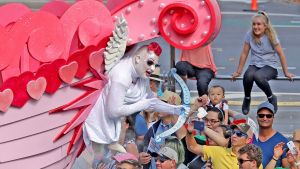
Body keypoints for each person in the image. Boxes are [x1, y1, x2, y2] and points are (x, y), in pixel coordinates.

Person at [83, 42, 184, 168]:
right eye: (150, 63)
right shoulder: (122, 76)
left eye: (155, 65)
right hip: (101, 130)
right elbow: (113, 111)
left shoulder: (142, 76)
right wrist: (142, 104)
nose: (152, 69)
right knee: (101, 163)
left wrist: (175, 110)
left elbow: (152, 101)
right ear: (137, 59)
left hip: (116, 134)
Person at [232, 11, 295, 115]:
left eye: (259, 24)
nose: (256, 27)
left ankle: (271, 97)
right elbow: (244, 53)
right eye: (254, 24)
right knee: (248, 75)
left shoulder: (271, 36)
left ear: (265, 26)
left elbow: (281, 54)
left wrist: (286, 72)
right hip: (255, 65)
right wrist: (238, 71)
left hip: (270, 66)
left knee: (258, 76)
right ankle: (247, 98)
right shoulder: (249, 35)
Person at [186, 121, 263, 169]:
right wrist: (189, 132)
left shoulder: (253, 161)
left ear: (248, 140)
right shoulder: (218, 151)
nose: (234, 136)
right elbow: (193, 147)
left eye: (239, 134)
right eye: (233, 132)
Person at [139, 90, 185, 169]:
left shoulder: (179, 129)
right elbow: (144, 150)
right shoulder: (153, 128)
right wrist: (141, 157)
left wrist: (173, 110)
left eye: (164, 104)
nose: (160, 107)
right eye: (159, 103)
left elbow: (184, 137)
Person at [252, 101, 289, 168]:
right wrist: (226, 109)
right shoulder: (249, 138)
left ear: (273, 118)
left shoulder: (283, 141)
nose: (265, 118)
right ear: (257, 117)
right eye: (261, 115)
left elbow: (287, 167)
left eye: (268, 116)